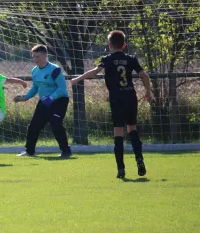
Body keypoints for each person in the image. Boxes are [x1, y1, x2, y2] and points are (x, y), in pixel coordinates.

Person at [71, 30, 153, 179]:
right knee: (132, 128)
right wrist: (148, 92)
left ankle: (121, 168)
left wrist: (78, 78)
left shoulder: (107, 59)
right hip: (130, 96)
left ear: (110, 45)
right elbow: (144, 75)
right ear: (124, 45)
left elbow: (95, 72)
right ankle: (139, 159)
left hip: (117, 99)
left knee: (118, 132)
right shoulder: (131, 59)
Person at [13, 44, 72, 158]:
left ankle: (66, 151)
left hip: (59, 100)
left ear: (45, 56)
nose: (35, 59)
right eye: (33, 57)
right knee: (33, 126)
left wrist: (51, 98)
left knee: (56, 124)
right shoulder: (35, 71)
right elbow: (35, 87)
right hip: (44, 101)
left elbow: (62, 89)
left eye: (37, 57)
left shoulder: (55, 70)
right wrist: (25, 97)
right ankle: (29, 151)